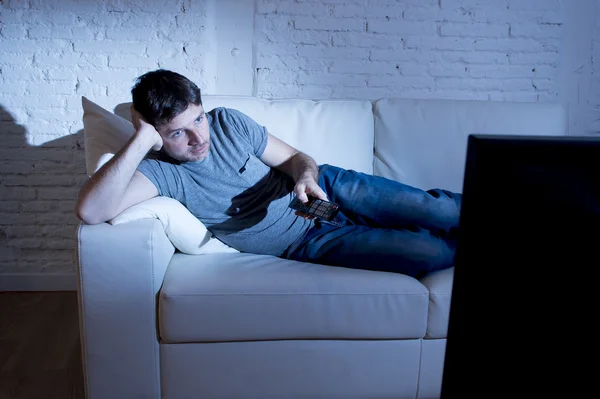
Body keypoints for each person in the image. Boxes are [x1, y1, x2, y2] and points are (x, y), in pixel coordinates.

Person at [76, 69, 462, 278]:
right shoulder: (162, 173)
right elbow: (91, 212)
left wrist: (306, 176)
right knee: (426, 250)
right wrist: (141, 138)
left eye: (199, 119)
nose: (198, 138)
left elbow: (296, 157)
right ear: (156, 134)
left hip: (327, 190)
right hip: (306, 242)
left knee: (442, 212)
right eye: (178, 132)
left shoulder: (228, 122)